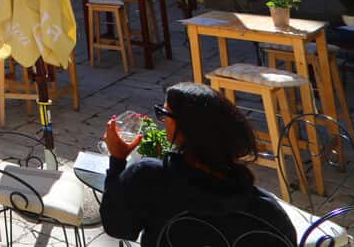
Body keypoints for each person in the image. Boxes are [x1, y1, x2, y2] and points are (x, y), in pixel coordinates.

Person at [100, 82, 296, 247]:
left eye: (164, 113)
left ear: (183, 128)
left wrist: (117, 161)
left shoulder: (149, 178)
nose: (162, 120)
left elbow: (117, 226)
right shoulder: (267, 212)